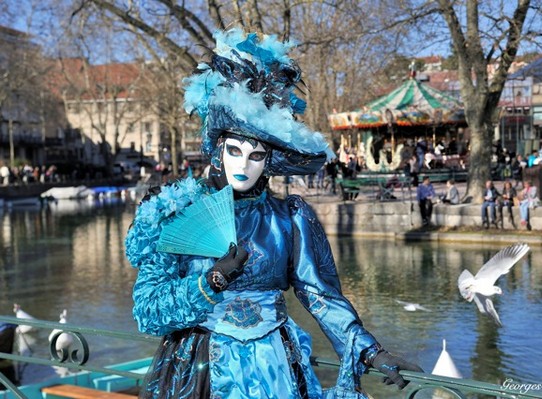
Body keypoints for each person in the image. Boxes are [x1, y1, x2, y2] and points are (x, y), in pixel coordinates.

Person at [125, 29, 422, 399]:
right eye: (235, 151)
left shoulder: (290, 218)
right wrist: (211, 281)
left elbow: (321, 296)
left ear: (269, 162)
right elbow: (148, 311)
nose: (243, 166)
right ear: (218, 150)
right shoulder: (173, 214)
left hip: (275, 368)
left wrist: (371, 352)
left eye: (256, 156)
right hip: (199, 372)